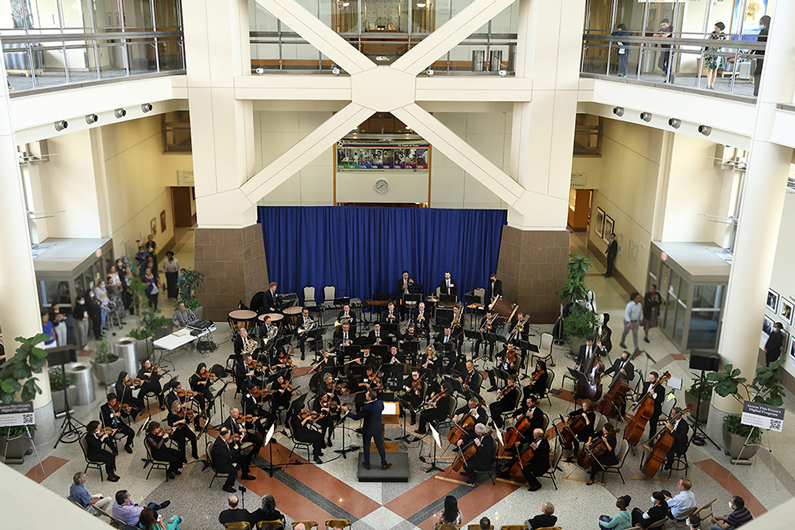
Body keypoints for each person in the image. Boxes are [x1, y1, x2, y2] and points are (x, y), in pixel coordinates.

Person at [341, 388, 391, 470]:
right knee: (380, 445)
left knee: (367, 446)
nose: (365, 395)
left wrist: (347, 412)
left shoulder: (366, 408)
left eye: (366, 394)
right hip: (378, 427)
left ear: (370, 398)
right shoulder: (380, 403)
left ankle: (367, 464)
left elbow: (356, 417)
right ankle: (384, 463)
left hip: (368, 429)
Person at [211, 427, 256, 493]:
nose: (230, 436)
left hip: (225, 458)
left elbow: (230, 451)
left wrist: (239, 442)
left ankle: (244, 474)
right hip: (220, 463)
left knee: (243, 457)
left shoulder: (223, 439)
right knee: (233, 470)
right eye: (229, 434)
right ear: (225, 435)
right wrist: (234, 449)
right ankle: (227, 486)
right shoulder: (219, 445)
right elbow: (227, 455)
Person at [635, 371, 665, 441]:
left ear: (656, 379)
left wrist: (654, 394)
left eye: (652, 379)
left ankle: (651, 441)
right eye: (650, 378)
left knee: (653, 426)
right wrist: (637, 402)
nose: (650, 380)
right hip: (645, 407)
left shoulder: (661, 389)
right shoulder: (646, 384)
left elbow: (660, 400)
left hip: (654, 410)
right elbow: (643, 395)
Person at [704, 22, 726, 90]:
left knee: (715, 70)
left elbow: (725, 43)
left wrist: (719, 42)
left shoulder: (723, 36)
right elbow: (707, 41)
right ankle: (708, 84)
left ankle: (712, 84)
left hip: (718, 53)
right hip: (711, 52)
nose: (715, 29)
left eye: (716, 28)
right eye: (715, 28)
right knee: (710, 69)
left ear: (720, 29)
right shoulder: (712, 33)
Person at [753, 15, 770, 96]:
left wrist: (752, 51)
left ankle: (757, 91)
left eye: (761, 22)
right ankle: (758, 91)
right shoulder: (766, 31)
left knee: (758, 72)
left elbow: (758, 42)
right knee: (759, 72)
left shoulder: (765, 32)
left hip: (761, 54)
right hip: (760, 53)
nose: (760, 23)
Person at [653, 18, 675, 82]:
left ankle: (668, 78)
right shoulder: (662, 29)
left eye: (664, 25)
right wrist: (661, 34)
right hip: (663, 49)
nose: (663, 27)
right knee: (660, 64)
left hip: (670, 49)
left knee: (669, 64)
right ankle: (670, 75)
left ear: (668, 24)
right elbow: (654, 35)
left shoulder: (671, 28)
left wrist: (660, 34)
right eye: (662, 25)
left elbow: (665, 35)